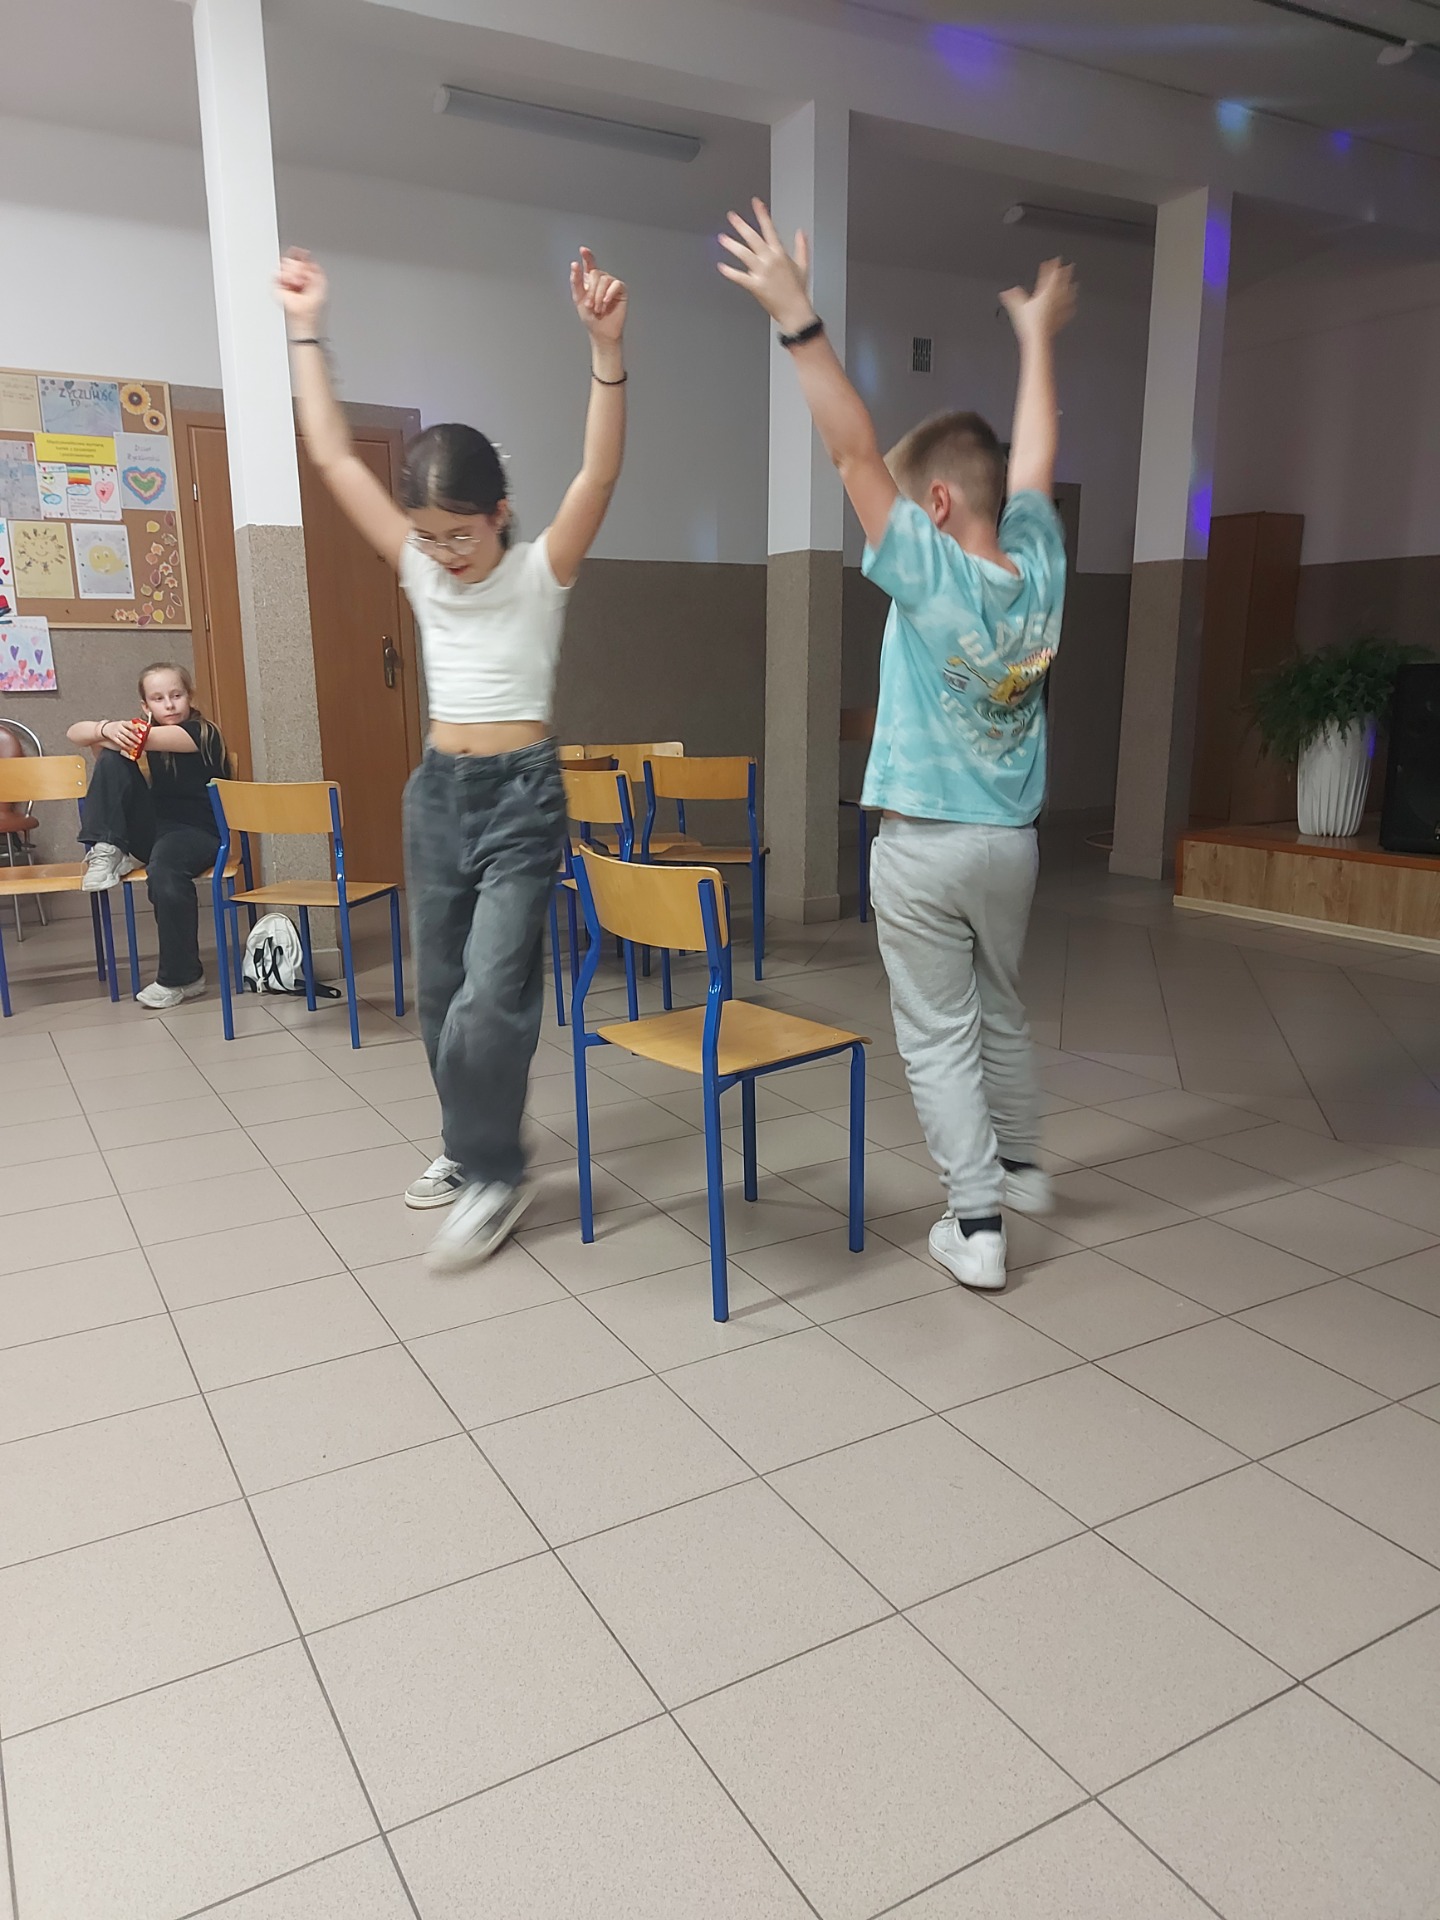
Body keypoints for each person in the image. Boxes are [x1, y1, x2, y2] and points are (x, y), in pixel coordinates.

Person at [720, 199, 1075, 1293]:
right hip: (1011, 845)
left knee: (936, 1033)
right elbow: (1036, 459)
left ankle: (977, 1226)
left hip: (922, 846)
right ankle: (1024, 1169)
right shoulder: (1041, 569)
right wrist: (1037, 339)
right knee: (1000, 1004)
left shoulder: (929, 570)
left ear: (934, 504)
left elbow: (849, 447)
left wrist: (798, 323)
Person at [276, 243, 628, 1272]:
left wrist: (607, 351)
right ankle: (468, 1143)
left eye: (459, 535)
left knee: (490, 994)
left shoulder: (540, 570)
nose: (441, 554)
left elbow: (600, 471)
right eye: (426, 537)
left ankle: (494, 1173)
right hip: (437, 796)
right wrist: (306, 329)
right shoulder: (422, 570)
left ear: (499, 513)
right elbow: (333, 456)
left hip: (521, 798)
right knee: (438, 995)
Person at [68, 661, 228, 1010]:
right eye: (158, 698)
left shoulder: (202, 732)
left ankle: (184, 978)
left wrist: (107, 734)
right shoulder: (145, 729)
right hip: (156, 827)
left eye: (176, 695)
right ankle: (107, 847)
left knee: (164, 871)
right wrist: (107, 728)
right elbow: (74, 733)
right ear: (145, 705)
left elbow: (140, 739)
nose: (169, 705)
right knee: (111, 760)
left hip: (199, 831)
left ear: (190, 697)